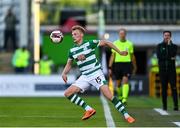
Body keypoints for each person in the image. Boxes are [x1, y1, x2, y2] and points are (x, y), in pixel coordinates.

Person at [61, 25, 135, 123]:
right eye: (72, 34)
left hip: (96, 73)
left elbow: (107, 42)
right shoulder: (72, 50)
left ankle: (126, 115)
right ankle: (89, 109)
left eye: (75, 34)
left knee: (109, 96)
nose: (73, 36)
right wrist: (64, 73)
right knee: (67, 93)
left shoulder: (90, 44)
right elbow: (69, 64)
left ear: (81, 35)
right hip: (85, 76)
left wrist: (120, 52)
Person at [108, 28, 137, 104]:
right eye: (120, 33)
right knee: (118, 83)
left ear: (125, 34)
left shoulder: (129, 44)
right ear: (119, 34)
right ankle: (120, 96)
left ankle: (124, 99)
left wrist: (134, 66)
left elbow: (132, 56)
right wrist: (110, 67)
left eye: (123, 33)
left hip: (127, 64)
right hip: (117, 64)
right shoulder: (115, 43)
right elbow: (112, 56)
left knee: (125, 80)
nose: (122, 35)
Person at [156, 30, 179, 111]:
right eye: (165, 35)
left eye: (168, 35)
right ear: (163, 36)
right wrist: (170, 58)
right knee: (164, 88)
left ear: (170, 36)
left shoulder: (174, 46)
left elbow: (173, 54)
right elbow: (159, 56)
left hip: (172, 71)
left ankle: (176, 106)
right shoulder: (159, 46)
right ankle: (164, 106)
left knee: (174, 88)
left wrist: (169, 46)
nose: (167, 37)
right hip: (162, 71)